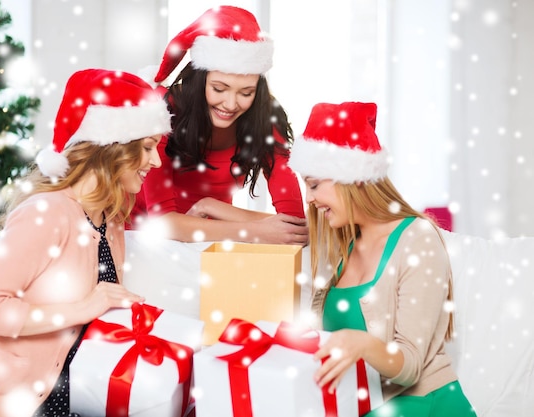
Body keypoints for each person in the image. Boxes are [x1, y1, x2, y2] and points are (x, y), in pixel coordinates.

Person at [0, 69, 172, 417]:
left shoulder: (109, 219)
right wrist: (85, 308)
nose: (155, 161)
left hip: (68, 399)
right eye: (146, 148)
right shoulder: (47, 214)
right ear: (111, 148)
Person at [288, 102, 477, 416]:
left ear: (353, 177)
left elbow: (410, 366)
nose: (309, 198)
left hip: (424, 404)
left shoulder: (418, 240)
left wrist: (361, 343)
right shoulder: (342, 247)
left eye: (314, 185)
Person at [132, 5, 308, 245]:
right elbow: (163, 222)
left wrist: (211, 207)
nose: (230, 104)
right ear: (199, 80)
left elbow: (294, 226)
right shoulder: (162, 110)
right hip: (143, 243)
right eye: (219, 88)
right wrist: (255, 231)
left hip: (214, 244)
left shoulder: (264, 117)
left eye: (246, 92)